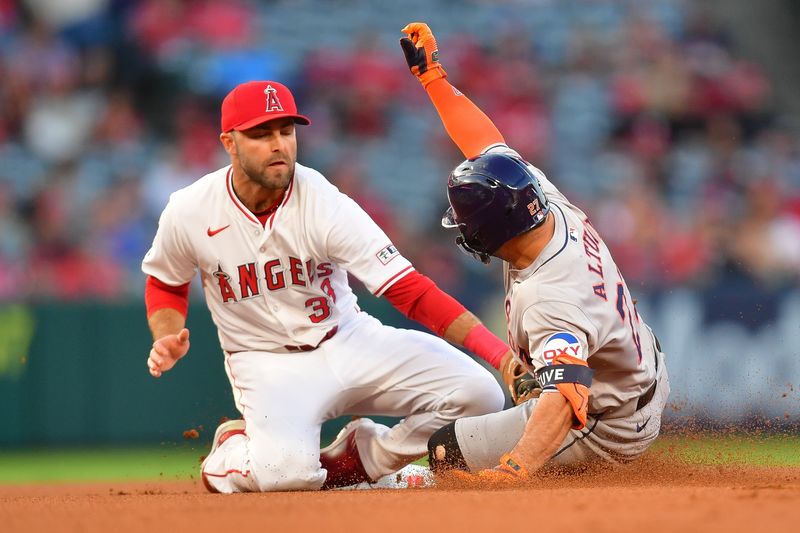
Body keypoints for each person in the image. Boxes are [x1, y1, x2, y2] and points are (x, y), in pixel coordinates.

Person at [141, 80, 508, 493]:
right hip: (267, 364)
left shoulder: (322, 200)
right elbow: (166, 282)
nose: (278, 144)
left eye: (286, 131)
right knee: (286, 476)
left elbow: (409, 289)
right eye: (261, 134)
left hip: (347, 338)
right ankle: (228, 452)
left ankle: (367, 458)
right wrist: (167, 334)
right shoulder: (190, 209)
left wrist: (499, 354)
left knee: (479, 394)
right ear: (229, 142)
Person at [399, 23, 670, 481]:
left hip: (612, 424)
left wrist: (516, 469)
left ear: (487, 234)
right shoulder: (540, 197)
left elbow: (568, 395)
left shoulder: (550, 298)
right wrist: (433, 79)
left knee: (444, 452)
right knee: (541, 379)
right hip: (639, 371)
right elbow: (482, 142)